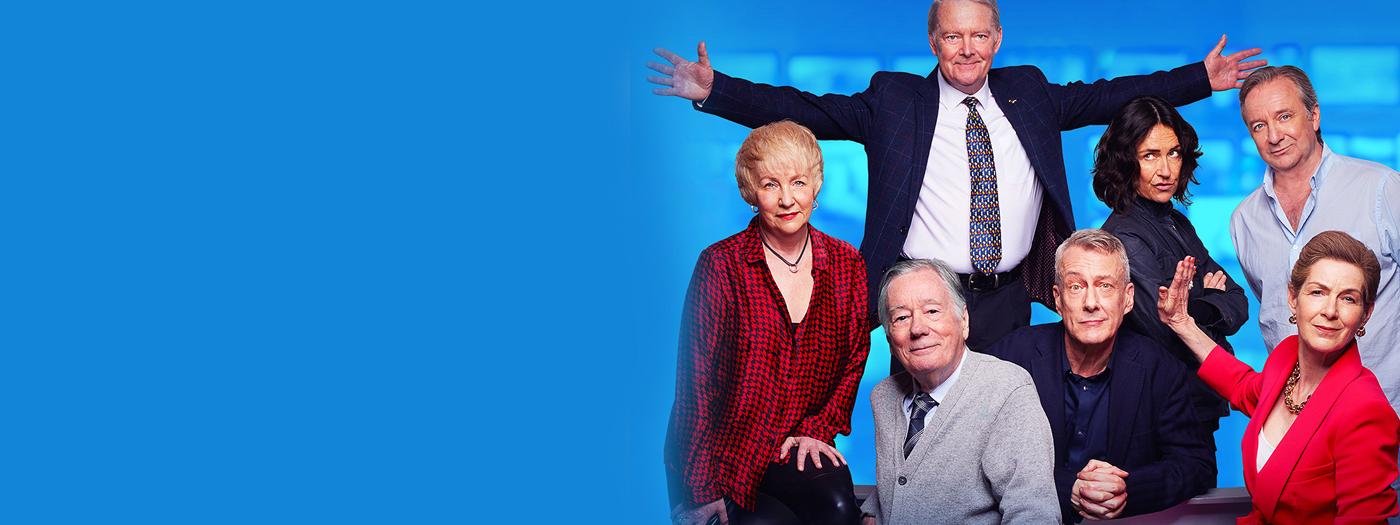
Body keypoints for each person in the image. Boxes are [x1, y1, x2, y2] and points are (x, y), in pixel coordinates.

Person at [649, 0, 1264, 354]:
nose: (966, 48)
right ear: (933, 41)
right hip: (923, 292)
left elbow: (1110, 96)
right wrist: (716, 91)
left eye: (978, 35)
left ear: (996, 38)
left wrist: (1197, 80)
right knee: (923, 427)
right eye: (952, 35)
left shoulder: (1029, 92)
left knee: (1006, 424)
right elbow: (809, 109)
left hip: (1008, 296)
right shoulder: (894, 101)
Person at [664, 121, 870, 525]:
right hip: (728, 452)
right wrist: (700, 490)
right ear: (750, 192)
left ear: (817, 185)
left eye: (798, 182)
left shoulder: (847, 263)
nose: (787, 199)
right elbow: (695, 387)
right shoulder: (721, 265)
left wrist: (820, 427)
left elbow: (855, 356)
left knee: (840, 510)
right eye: (771, 184)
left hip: (797, 443)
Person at [1158, 231, 1400, 523]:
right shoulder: (1286, 357)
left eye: (1348, 298)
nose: (1330, 311)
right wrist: (1181, 323)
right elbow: (1243, 386)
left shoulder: (1365, 409)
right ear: (1292, 298)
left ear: (1365, 314)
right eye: (1318, 292)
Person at [983, 229, 1214, 522]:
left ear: (1127, 298)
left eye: (1105, 286)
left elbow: (1196, 465)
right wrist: (1068, 488)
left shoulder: (1160, 369)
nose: (1091, 302)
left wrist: (1127, 489)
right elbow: (975, 454)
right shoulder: (1011, 358)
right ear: (1058, 299)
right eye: (1076, 287)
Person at [1230, 65, 1400, 423]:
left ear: (1314, 115)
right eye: (1259, 126)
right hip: (1296, 426)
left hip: (1382, 415)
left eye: (1285, 116)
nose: (1274, 135)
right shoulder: (1245, 220)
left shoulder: (1381, 189)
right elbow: (1279, 309)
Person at [1095, 96, 1249, 455]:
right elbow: (1166, 327)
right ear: (1125, 161)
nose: (1166, 170)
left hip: (1198, 401)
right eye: (1150, 155)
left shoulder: (1176, 222)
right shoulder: (1125, 235)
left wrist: (1199, 308)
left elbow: (1238, 299)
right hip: (1160, 409)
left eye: (1174, 153)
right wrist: (1206, 300)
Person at [860, 258, 1059, 524]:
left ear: (963, 320)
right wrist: (873, 511)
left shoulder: (1007, 391)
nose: (918, 329)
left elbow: (1035, 513)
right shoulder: (884, 397)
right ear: (889, 339)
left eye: (932, 311)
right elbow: (909, 479)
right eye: (902, 317)